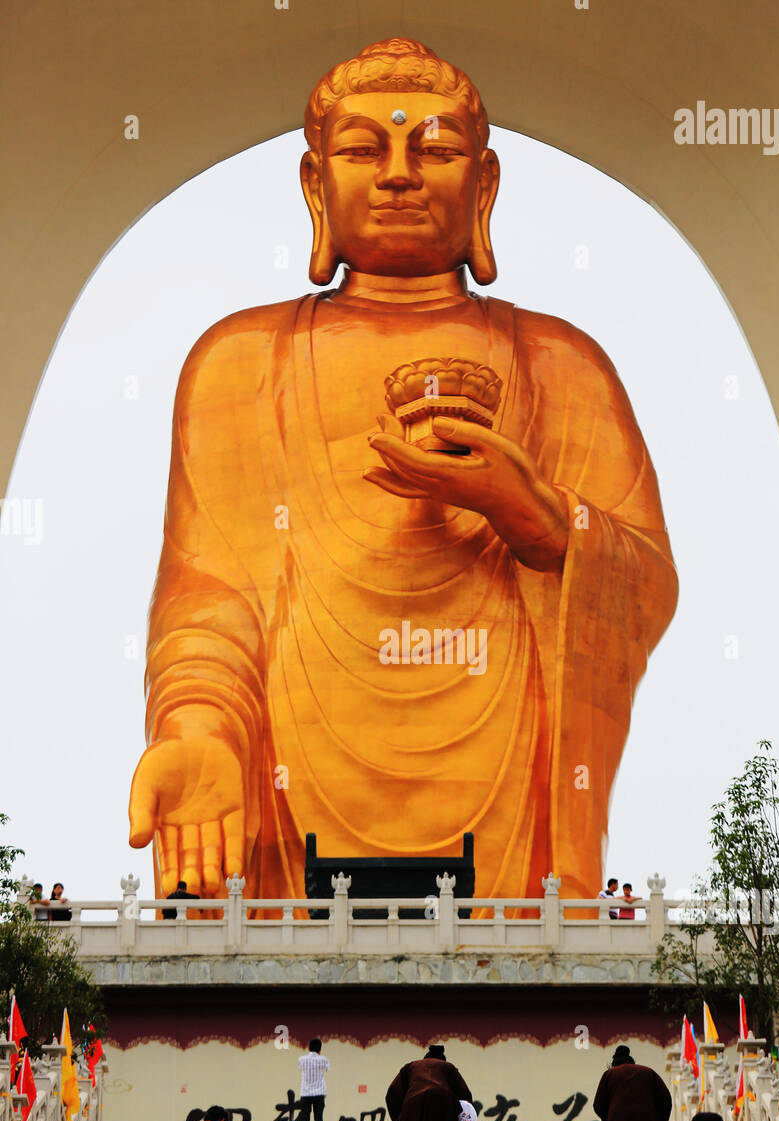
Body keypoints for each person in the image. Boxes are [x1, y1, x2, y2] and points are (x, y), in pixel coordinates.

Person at [127, 36, 678, 912]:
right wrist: (195, 728)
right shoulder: (236, 363)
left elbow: (647, 584)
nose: (397, 174)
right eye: (361, 149)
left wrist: (541, 521)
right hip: (292, 779)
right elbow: (207, 598)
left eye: (435, 149)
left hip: (506, 799)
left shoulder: (563, 366)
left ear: (485, 186)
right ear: (315, 187)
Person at [298, 1038, 329, 1121]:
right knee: (318, 1118)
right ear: (320, 1049)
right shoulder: (323, 1059)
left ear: (309, 1048)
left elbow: (300, 1068)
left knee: (305, 1118)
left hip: (305, 1092)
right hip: (319, 1092)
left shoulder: (301, 1059)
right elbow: (328, 1069)